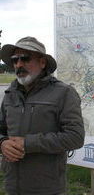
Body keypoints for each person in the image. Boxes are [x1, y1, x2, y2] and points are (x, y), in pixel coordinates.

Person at [0, 37, 85, 195]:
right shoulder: (10, 93)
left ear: (42, 62)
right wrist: (3, 143)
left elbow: (76, 137)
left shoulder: (64, 93)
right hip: (12, 186)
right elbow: (2, 129)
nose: (19, 64)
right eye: (15, 59)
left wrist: (29, 143)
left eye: (25, 58)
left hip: (47, 188)